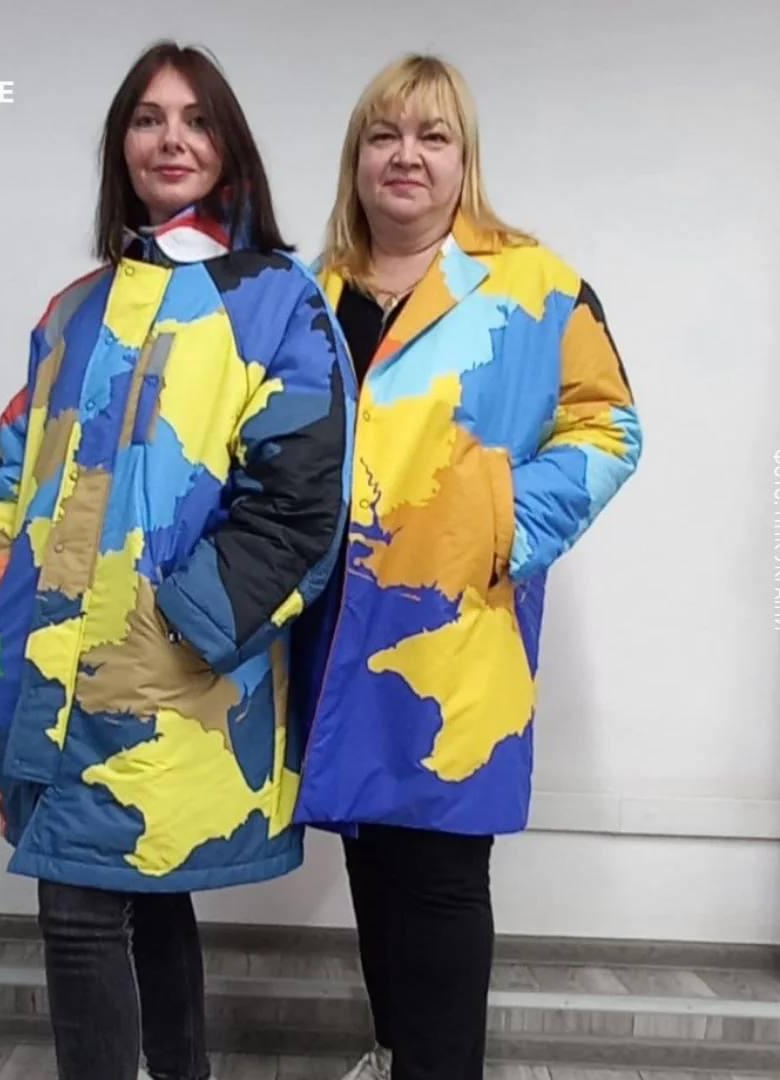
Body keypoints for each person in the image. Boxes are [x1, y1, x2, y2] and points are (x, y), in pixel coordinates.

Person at [0, 41, 354, 1080]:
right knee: (139, 890)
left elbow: (301, 498)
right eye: (148, 118)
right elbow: (14, 471)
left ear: (229, 146)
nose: (171, 139)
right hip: (44, 665)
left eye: (195, 119)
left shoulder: (276, 300)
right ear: (120, 146)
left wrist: (179, 626)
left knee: (84, 909)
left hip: (170, 676)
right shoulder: (72, 311)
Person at [289, 55, 643, 1080]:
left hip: (455, 633)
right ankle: (395, 1050)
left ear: (464, 160)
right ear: (356, 158)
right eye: (384, 134)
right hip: (333, 629)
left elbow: (609, 428)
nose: (406, 156)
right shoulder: (307, 295)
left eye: (432, 136)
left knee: (440, 872)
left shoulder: (536, 285)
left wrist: (496, 523)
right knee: (369, 849)